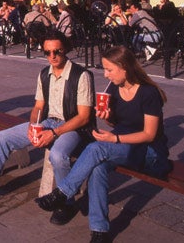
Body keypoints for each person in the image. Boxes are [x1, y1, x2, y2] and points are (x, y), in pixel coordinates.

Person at [0, 30, 94, 226]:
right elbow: (38, 107)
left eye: (57, 52)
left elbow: (84, 117)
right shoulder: (45, 74)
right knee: (3, 138)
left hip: (72, 128)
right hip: (48, 122)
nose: (52, 56)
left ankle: (65, 202)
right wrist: (34, 125)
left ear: (65, 49)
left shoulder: (80, 75)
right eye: (47, 52)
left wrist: (54, 133)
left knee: (58, 156)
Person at [35, 45, 170, 243]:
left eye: (109, 70)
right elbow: (119, 124)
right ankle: (100, 230)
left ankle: (63, 192)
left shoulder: (148, 93)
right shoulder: (115, 88)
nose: (105, 75)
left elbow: (149, 134)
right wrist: (108, 117)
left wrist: (114, 138)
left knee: (96, 148)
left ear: (124, 67)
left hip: (150, 152)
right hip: (123, 145)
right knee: (97, 167)